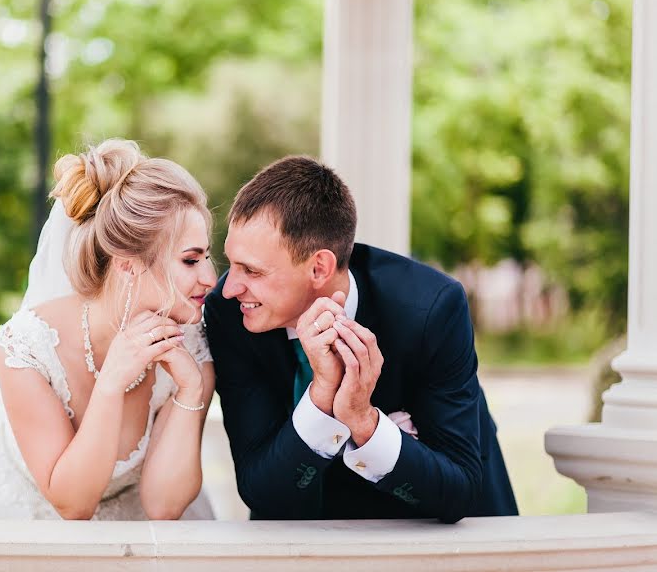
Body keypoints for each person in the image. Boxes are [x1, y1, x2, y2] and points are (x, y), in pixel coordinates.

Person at [0, 139, 217, 520]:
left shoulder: (193, 347)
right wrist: (112, 382)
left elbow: (164, 506)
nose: (210, 278)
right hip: (8, 514)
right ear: (127, 264)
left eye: (207, 255)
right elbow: (73, 503)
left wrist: (191, 389)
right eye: (190, 260)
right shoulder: (28, 345)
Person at [204, 155, 518, 522]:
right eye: (232, 265)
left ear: (319, 267)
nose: (231, 288)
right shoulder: (231, 315)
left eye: (252, 271)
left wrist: (363, 421)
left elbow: (459, 490)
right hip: (305, 538)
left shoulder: (430, 309)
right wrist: (322, 397)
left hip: (433, 535)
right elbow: (260, 491)